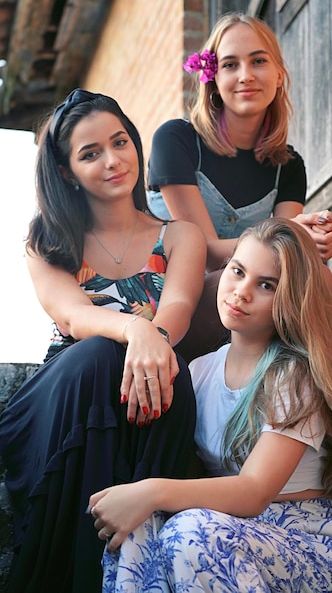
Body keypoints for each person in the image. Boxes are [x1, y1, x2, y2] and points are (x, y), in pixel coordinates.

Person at [90, 217, 332, 593]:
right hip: (223, 528)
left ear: (291, 297)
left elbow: (253, 491)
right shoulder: (199, 371)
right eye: (237, 271)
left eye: (266, 285)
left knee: (188, 529)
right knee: (138, 531)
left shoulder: (294, 373)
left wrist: (151, 491)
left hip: (304, 541)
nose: (241, 292)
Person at [0, 89, 206, 593]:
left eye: (120, 143)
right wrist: (136, 328)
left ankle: (136, 572)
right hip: (67, 393)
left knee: (171, 382)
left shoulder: (180, 236)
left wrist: (153, 338)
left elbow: (176, 310)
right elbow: (73, 316)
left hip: (147, 383)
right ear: (68, 171)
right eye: (91, 153)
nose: (113, 161)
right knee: (98, 356)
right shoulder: (48, 240)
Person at [146, 12, 332, 361]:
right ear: (213, 77)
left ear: (280, 74)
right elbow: (205, 252)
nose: (246, 76)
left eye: (258, 61)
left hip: (243, 301)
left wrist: (311, 240)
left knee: (320, 279)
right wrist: (289, 232)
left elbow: (285, 256)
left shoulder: (289, 167)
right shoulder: (176, 141)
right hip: (173, 303)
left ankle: (304, 399)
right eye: (230, 65)